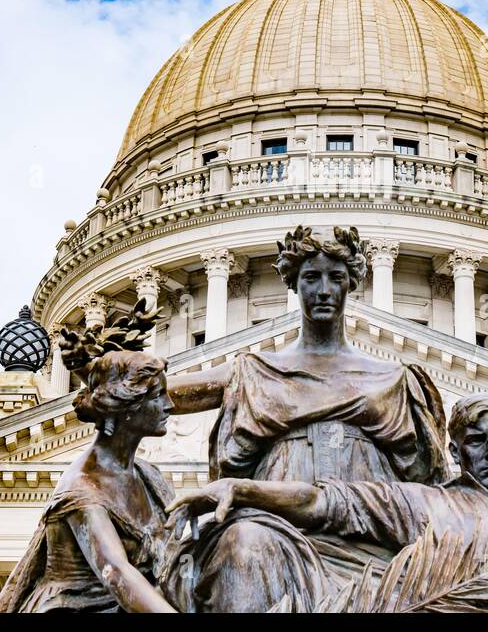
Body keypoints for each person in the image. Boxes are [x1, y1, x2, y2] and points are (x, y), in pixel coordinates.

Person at [160, 226, 448, 612]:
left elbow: (433, 492)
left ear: (352, 284)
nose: (324, 290)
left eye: (336, 278)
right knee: (243, 546)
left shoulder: (394, 380)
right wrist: (112, 377)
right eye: (311, 278)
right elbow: (156, 395)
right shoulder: (256, 372)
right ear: (293, 284)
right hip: (269, 527)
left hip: (369, 535)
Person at [166, 393, 488, 612]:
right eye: (477, 442)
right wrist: (241, 488)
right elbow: (327, 501)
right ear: (455, 454)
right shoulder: (428, 504)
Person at [0, 321, 177, 613]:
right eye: (158, 397)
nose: (172, 406)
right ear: (126, 406)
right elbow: (116, 572)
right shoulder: (82, 489)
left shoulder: (149, 476)